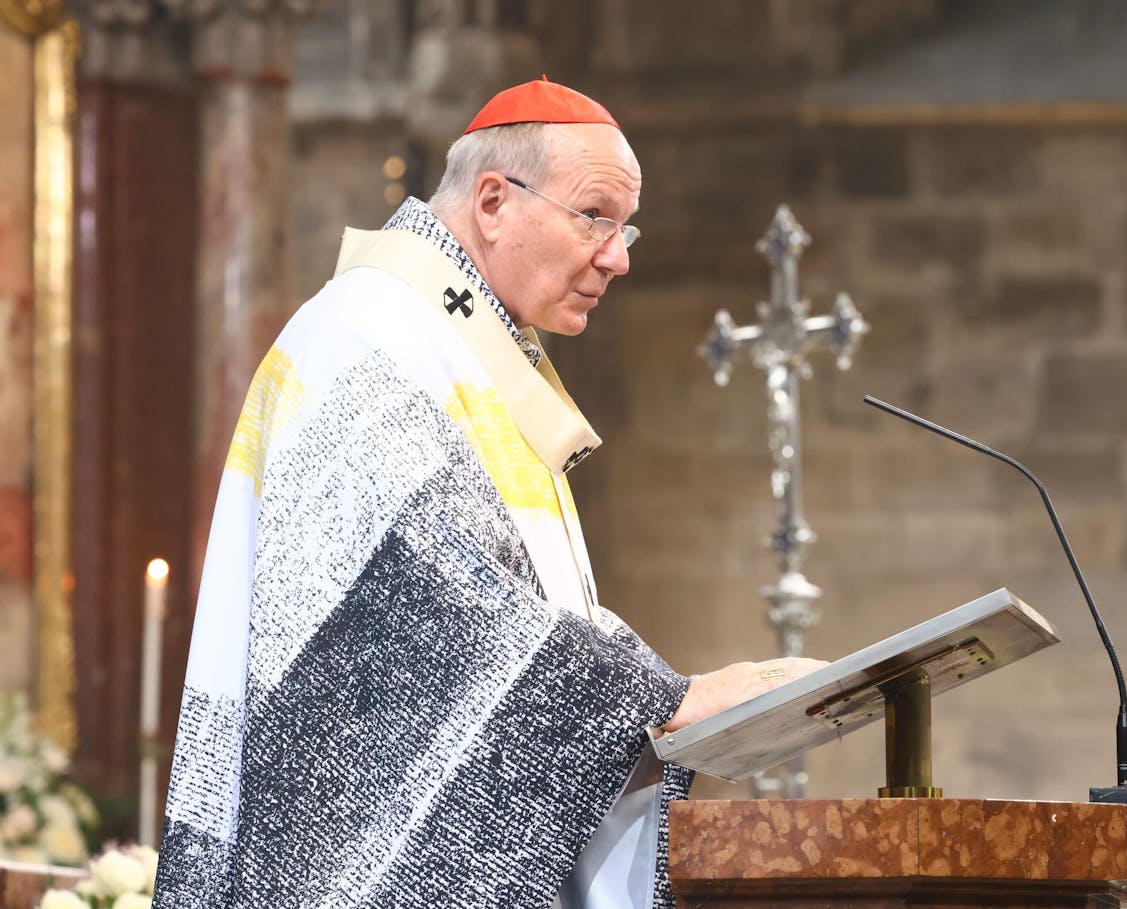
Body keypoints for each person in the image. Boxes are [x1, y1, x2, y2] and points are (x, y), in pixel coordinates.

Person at [153, 79, 824, 909]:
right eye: (595, 216)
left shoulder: (467, 354)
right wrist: (662, 699)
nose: (619, 255)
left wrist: (675, 696)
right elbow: (427, 605)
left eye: (626, 225)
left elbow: (527, 605)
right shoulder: (369, 335)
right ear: (495, 201)